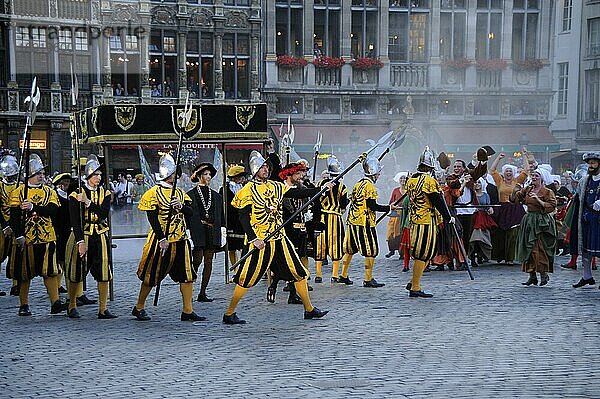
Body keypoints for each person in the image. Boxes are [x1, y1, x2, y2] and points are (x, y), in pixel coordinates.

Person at [223, 150, 331, 324]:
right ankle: (229, 313)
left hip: (279, 238)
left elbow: (296, 193)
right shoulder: (248, 190)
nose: (265, 169)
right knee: (246, 278)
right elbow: (242, 217)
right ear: (254, 170)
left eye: (266, 166)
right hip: (261, 241)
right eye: (262, 167)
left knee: (298, 272)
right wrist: (253, 239)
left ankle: (309, 309)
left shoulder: (275, 186)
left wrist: (320, 189)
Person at [132, 154, 204, 322]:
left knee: (187, 275)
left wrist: (181, 206)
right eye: (172, 173)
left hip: (180, 239)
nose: (175, 176)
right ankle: (139, 307)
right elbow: (152, 218)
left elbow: (190, 212)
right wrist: (162, 238)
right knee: (152, 275)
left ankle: (187, 310)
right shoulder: (153, 193)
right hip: (161, 241)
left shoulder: (179, 192)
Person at [8, 154, 67, 316]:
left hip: (46, 237)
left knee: (50, 271)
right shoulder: (18, 192)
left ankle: (55, 302)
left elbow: (53, 210)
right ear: (30, 175)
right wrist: (18, 235)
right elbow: (13, 217)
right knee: (24, 274)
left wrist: (34, 207)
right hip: (26, 239)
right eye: (37, 174)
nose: (41, 176)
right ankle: (24, 304)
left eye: (42, 173)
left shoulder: (49, 191)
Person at [65, 155, 115, 319]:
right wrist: (80, 241)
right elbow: (74, 220)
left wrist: (88, 203)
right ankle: (72, 304)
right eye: (95, 174)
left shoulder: (105, 193)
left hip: (100, 234)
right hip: (82, 234)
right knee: (77, 270)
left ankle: (103, 308)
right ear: (88, 176)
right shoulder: (75, 194)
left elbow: (102, 214)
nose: (98, 178)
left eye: (100, 174)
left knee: (104, 272)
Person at [405, 147, 453, 298]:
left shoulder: (411, 180)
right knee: (424, 253)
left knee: (428, 252)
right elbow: (437, 201)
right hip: (425, 221)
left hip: (415, 220)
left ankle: (414, 281)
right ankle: (416, 287)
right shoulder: (428, 181)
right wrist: (447, 216)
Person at [339, 157, 390, 288]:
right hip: (364, 222)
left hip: (352, 221)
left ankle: (343, 275)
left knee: (349, 250)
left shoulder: (358, 184)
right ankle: (368, 279)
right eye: (378, 173)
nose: (379, 175)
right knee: (371, 250)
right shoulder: (369, 186)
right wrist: (389, 208)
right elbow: (372, 206)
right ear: (373, 173)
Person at [512, 168, 557, 286]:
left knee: (540, 248)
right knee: (528, 248)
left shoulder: (547, 191)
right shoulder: (528, 189)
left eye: (537, 175)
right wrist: (517, 187)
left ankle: (543, 274)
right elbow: (515, 199)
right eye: (532, 175)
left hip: (542, 222)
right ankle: (532, 275)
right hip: (529, 221)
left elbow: (552, 206)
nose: (534, 177)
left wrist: (538, 200)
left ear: (542, 178)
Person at [187, 162, 223, 303]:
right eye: (205, 174)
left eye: (209, 174)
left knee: (209, 262)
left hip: (211, 231)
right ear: (199, 176)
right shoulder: (190, 195)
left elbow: (221, 215)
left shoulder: (216, 196)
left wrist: (222, 230)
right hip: (197, 231)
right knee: (197, 260)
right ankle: (189, 286)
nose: (208, 176)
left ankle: (202, 292)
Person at [489, 151, 529, 265]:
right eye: (506, 171)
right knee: (501, 233)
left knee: (513, 232)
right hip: (502, 208)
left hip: (514, 208)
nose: (508, 173)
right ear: (504, 172)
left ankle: (511, 258)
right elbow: (492, 170)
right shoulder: (499, 181)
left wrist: (524, 156)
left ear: (514, 173)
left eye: (510, 171)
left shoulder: (517, 181)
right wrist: (498, 158)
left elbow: (526, 171)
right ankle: (500, 256)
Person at [314, 156, 348, 283]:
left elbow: (315, 202)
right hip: (335, 218)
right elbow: (344, 206)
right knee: (336, 245)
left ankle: (318, 275)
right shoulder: (342, 187)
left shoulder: (319, 184)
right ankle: (334, 275)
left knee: (320, 245)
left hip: (321, 218)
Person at [570, 152, 600, 289]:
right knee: (585, 249)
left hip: (599, 219)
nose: (591, 165)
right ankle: (587, 276)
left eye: (593, 163)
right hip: (586, 218)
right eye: (589, 163)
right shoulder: (584, 180)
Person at [220, 164, 247, 267]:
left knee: (242, 245)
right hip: (231, 220)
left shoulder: (245, 187)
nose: (242, 178)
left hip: (242, 219)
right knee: (231, 247)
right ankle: (235, 268)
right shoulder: (224, 189)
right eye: (241, 176)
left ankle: (243, 267)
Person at [0, 150, 18, 296]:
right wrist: (5, 225)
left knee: (16, 255)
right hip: (1, 225)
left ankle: (16, 284)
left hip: (15, 224)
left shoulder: (19, 186)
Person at [469, 177, 497, 266]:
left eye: (479, 182)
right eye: (475, 182)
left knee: (484, 237)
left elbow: (488, 205)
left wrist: (490, 209)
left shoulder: (485, 195)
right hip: (474, 218)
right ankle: (473, 256)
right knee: (475, 237)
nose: (477, 184)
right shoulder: (471, 194)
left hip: (484, 218)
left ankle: (481, 255)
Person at [385, 172, 407, 259]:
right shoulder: (395, 190)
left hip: (404, 215)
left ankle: (402, 253)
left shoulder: (409, 191)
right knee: (392, 232)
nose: (403, 180)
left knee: (402, 233)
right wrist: (393, 205)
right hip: (395, 215)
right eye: (401, 178)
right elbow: (391, 202)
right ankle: (392, 250)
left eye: (404, 178)